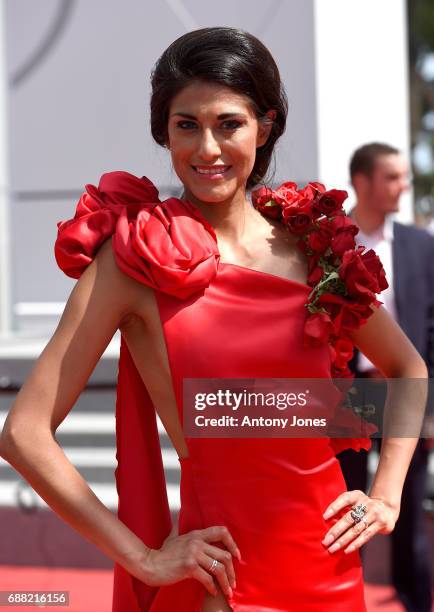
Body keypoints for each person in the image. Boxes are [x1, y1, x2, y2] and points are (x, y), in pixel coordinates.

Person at [0, 28, 428, 612]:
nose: (207, 149)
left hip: (328, 568)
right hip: (222, 581)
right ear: (164, 130)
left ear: (265, 126)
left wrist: (386, 495)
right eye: (186, 125)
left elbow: (407, 368)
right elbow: (23, 433)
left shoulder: (316, 249)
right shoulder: (134, 259)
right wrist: (142, 558)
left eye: (229, 123)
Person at [338, 142, 434, 612]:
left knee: (409, 509)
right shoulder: (328, 241)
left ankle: (415, 603)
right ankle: (343, 596)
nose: (404, 186)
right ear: (362, 182)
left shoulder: (421, 246)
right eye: (393, 177)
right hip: (345, 396)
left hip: (405, 395)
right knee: (344, 503)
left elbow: (433, 329)